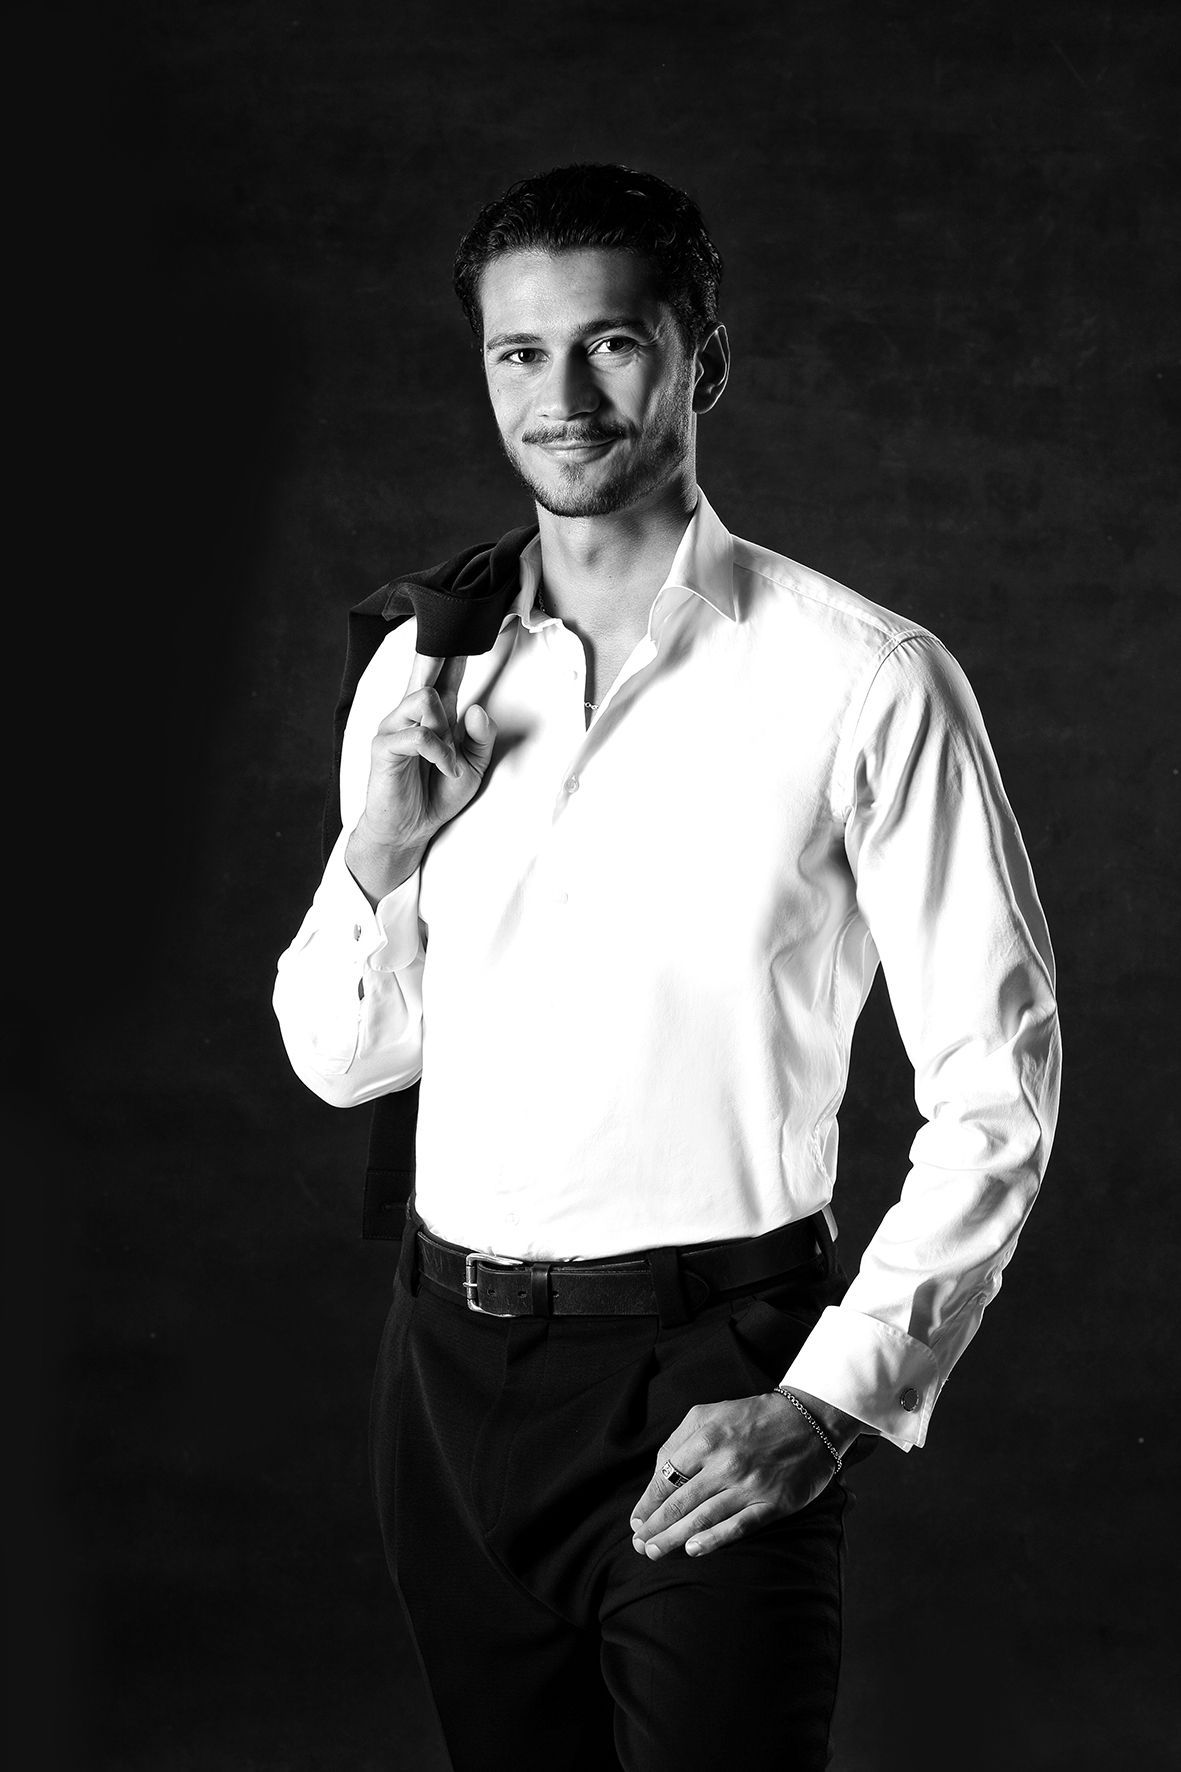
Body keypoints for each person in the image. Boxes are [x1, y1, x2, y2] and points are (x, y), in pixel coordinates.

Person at [273, 163, 1060, 1771]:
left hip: (714, 1367)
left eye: (611, 343)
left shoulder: (863, 679)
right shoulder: (424, 668)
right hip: (444, 1379)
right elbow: (343, 1063)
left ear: (704, 360)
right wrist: (380, 852)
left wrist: (830, 1400)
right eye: (518, 352)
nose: (560, 397)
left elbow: (998, 1088)